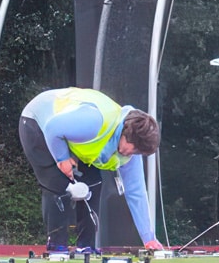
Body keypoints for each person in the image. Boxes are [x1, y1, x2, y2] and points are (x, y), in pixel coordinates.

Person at [19, 87, 164, 252]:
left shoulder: (132, 150)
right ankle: (57, 247)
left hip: (67, 135)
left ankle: (85, 247)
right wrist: (62, 159)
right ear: (126, 131)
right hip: (37, 122)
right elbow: (53, 129)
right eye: (133, 148)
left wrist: (149, 238)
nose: (132, 154)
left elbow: (136, 191)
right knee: (56, 184)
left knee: (93, 185)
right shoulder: (95, 121)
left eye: (138, 152)